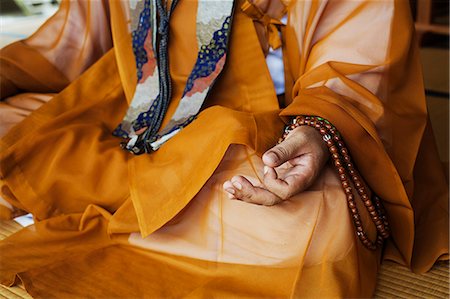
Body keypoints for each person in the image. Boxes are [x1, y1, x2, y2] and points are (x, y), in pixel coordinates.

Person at [0, 0, 448, 297]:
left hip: (273, 124)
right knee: (15, 125)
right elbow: (72, 41)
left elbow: (360, 61)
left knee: (305, 230)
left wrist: (317, 131)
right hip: (132, 107)